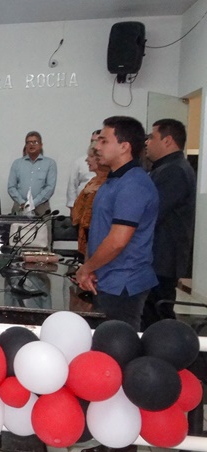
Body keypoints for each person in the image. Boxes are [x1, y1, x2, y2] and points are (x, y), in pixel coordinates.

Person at [75, 116, 158, 332]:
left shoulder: (134, 184)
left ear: (124, 147)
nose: (97, 147)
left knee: (119, 343)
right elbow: (99, 230)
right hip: (105, 277)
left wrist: (87, 268)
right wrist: (92, 268)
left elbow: (117, 241)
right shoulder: (113, 180)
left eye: (104, 141)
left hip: (124, 282)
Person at [142, 118, 196, 327]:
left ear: (167, 141)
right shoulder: (164, 168)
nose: (147, 142)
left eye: (152, 137)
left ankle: (166, 348)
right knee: (150, 315)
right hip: (157, 257)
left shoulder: (174, 170)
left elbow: (151, 214)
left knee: (157, 319)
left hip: (161, 259)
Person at [70, 143, 109, 258]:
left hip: (100, 240)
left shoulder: (110, 183)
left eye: (91, 156)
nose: (87, 160)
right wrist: (85, 194)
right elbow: (76, 214)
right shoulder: (92, 181)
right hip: (86, 237)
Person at [7, 131, 57, 215]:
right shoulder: (17, 163)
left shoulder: (50, 163)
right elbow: (11, 187)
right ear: (26, 146)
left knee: (44, 224)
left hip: (41, 206)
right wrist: (22, 202)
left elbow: (50, 187)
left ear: (41, 145)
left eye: (35, 142)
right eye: (28, 142)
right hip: (20, 206)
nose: (31, 145)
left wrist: (33, 203)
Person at [66, 130, 99, 215]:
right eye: (92, 141)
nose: (94, 143)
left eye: (96, 141)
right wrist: (73, 208)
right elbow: (72, 186)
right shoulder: (80, 162)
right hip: (82, 206)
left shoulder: (109, 164)